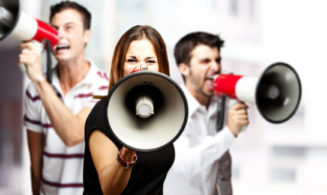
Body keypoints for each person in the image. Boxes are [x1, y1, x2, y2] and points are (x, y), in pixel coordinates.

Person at [19, 1, 108, 195]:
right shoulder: (34, 92)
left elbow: (73, 135)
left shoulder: (105, 87)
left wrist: (39, 80)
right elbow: (36, 166)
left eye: (69, 28)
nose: (59, 35)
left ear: (87, 35)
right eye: (54, 28)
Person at [83, 25, 173, 195]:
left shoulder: (162, 113)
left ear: (161, 67)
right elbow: (110, 190)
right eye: (132, 60)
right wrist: (128, 149)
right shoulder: (103, 115)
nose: (141, 67)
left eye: (150, 61)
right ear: (120, 67)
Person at [163, 31, 249, 195]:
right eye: (205, 61)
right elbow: (183, 166)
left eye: (217, 60)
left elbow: (223, 166)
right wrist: (229, 133)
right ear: (184, 68)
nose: (215, 67)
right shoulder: (172, 109)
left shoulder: (220, 106)